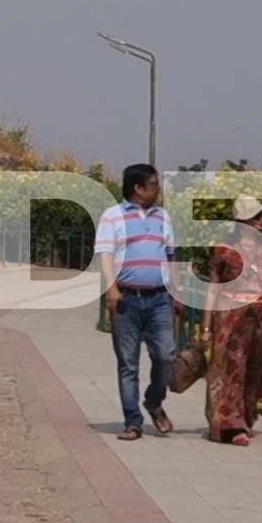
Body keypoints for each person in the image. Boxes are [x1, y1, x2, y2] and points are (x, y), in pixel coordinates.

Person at [95, 164, 183, 441]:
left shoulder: (163, 218)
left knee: (166, 356)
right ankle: (133, 421)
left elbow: (171, 256)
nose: (158, 189)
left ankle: (153, 401)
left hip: (158, 299)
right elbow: (106, 255)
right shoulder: (113, 217)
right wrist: (111, 288)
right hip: (127, 300)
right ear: (139, 188)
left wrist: (177, 290)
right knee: (128, 364)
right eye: (154, 184)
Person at [202, 195, 262, 446]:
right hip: (230, 317)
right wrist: (206, 326)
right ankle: (230, 425)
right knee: (231, 369)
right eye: (257, 216)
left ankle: (244, 418)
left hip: (258, 319)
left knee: (254, 369)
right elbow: (213, 289)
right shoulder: (224, 250)